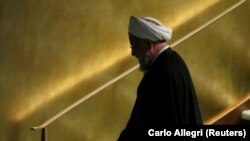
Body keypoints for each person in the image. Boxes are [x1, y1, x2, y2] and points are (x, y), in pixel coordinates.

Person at [117, 16, 202, 140]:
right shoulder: (172, 62)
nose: (133, 53)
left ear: (149, 44)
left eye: (134, 46)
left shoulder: (166, 73)